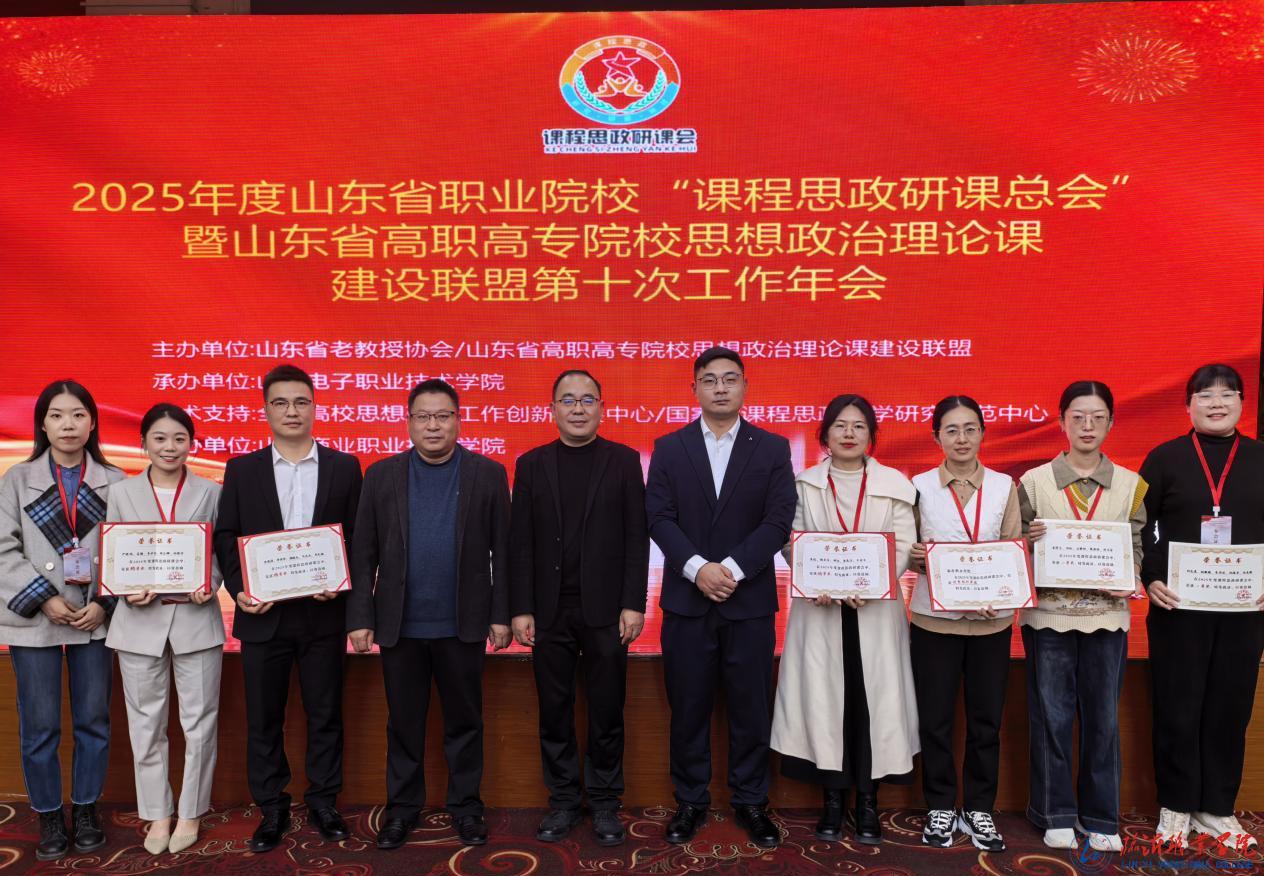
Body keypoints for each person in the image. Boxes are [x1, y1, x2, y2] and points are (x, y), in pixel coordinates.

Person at [347, 379, 512, 849]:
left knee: (465, 723)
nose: (433, 425)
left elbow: (504, 548)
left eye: (443, 416)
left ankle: (466, 808)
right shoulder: (381, 475)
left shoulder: (488, 473)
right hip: (399, 625)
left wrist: (501, 614)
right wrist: (360, 616)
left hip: (463, 623)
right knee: (404, 724)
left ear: (458, 420)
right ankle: (401, 810)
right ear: (409, 422)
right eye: (423, 416)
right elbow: (364, 552)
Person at [645, 346, 796, 849]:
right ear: (694, 389)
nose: (721, 388)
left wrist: (728, 570)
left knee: (751, 708)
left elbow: (778, 519)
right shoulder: (670, 447)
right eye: (710, 380)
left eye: (730, 379)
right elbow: (658, 517)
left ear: (745, 386)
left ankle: (751, 801)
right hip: (687, 603)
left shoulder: (771, 448)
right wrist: (698, 570)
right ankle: (690, 801)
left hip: (748, 602)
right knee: (688, 707)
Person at [213, 364, 362, 853]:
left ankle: (323, 801)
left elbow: (358, 537)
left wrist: (340, 581)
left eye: (301, 402)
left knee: (325, 714)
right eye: (280, 403)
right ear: (266, 410)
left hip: (323, 615)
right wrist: (240, 589)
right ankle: (272, 807)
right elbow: (227, 536)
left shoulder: (345, 467)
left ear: (315, 407)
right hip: (263, 616)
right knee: (264, 718)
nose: (291, 411)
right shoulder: (242, 469)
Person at [771, 394, 919, 846]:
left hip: (877, 611)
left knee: (870, 703)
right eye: (840, 425)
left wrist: (871, 583)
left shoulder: (895, 485)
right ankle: (833, 800)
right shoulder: (804, 485)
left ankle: (868, 802)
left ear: (871, 435)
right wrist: (817, 578)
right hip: (820, 610)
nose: (849, 434)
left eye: (858, 426)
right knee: (826, 703)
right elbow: (792, 541)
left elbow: (903, 543)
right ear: (825, 434)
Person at [509, 369, 649, 847]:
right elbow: (520, 542)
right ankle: (565, 800)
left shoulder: (624, 461)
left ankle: (606, 802)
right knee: (555, 709)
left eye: (587, 400)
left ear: (602, 409)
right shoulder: (531, 464)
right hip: (548, 610)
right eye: (567, 400)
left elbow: (636, 537)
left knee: (607, 707)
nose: (577, 408)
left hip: (608, 610)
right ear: (552, 410)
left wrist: (633, 603)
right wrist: (520, 607)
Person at [1140, 363, 1264, 850]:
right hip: (1178, 607)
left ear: (1242, 403)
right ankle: (1175, 804)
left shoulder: (1260, 457)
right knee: (1177, 705)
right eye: (1205, 395)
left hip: (1244, 609)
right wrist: (1151, 577)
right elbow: (1138, 526)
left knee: (1230, 707)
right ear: (1187, 405)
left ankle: (1216, 807)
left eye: (1228, 394)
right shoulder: (1163, 458)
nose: (1217, 403)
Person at [0, 380, 124, 861]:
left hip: (94, 616)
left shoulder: (117, 481)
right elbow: (2, 549)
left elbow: (129, 551)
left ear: (92, 422)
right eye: (56, 415)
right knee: (40, 724)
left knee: (94, 719)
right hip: (37, 617)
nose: (67, 424)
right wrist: (44, 598)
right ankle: (49, 813)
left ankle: (86, 808)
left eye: (77, 415)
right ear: (42, 424)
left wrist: (104, 604)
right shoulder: (16, 479)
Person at [1019, 381, 1145, 853]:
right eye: (1077, 417)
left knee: (1103, 720)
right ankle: (1054, 813)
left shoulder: (1131, 484)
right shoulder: (1033, 482)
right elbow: (1014, 543)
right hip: (1047, 618)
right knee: (1051, 717)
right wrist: (1027, 542)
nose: (1087, 426)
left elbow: (1136, 546)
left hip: (1107, 618)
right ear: (1062, 421)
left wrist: (1132, 576)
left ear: (1111, 422)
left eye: (1097, 417)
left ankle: (1100, 816)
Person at [105, 403, 225, 855]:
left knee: (200, 723)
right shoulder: (121, 492)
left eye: (179, 438)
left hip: (196, 619)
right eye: (159, 438)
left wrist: (210, 582)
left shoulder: (211, 491)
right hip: (138, 623)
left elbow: (220, 550)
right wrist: (124, 589)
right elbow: (113, 551)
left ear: (191, 444)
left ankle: (190, 811)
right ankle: (157, 813)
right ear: (143, 444)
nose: (170, 447)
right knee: (146, 725)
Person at [907, 395, 1020, 851]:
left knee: (985, 721)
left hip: (992, 623)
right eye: (951, 430)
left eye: (970, 428)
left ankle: (978, 807)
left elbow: (1013, 548)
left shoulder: (1004, 486)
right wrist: (914, 555)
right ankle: (939, 805)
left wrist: (1000, 591)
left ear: (983, 434)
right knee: (934, 720)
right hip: (934, 621)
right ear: (936, 437)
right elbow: (906, 547)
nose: (961, 438)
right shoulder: (918, 486)